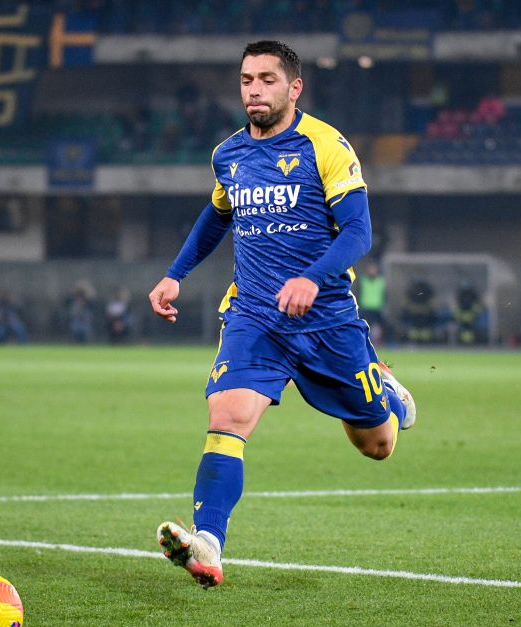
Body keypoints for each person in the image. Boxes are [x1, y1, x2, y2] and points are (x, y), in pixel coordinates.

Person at [147, 40, 416, 589]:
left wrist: (311, 277)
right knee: (227, 417)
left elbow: (359, 231)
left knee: (377, 445)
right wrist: (176, 273)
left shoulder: (325, 145)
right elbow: (216, 215)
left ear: (294, 88)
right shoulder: (229, 155)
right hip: (254, 315)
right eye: (247, 80)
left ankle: (386, 391)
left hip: (327, 320)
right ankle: (208, 542)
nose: (254, 90)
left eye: (267, 80)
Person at [356, 260, 387, 344]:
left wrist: (384, 305)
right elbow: (358, 293)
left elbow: (385, 295)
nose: (372, 271)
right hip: (365, 307)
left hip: (377, 307)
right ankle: (364, 341)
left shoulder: (380, 281)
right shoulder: (363, 281)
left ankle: (377, 342)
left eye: (374, 269)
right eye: (371, 269)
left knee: (377, 327)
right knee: (364, 325)